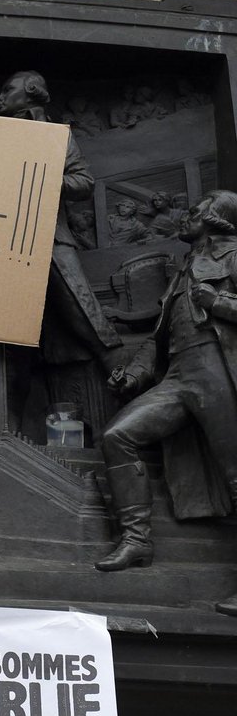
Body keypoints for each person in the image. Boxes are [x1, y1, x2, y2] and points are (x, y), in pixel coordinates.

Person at [98, 192, 237, 598]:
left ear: (216, 219)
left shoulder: (233, 257)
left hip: (220, 369)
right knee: (117, 436)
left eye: (194, 212)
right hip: (179, 374)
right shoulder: (182, 271)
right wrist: (136, 374)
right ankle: (136, 540)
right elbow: (156, 339)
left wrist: (220, 301)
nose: (184, 216)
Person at [0, 71, 125, 371]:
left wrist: (45, 179)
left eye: (7, 89)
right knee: (13, 336)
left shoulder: (56, 134)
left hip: (51, 237)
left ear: (31, 91)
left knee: (84, 315)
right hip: (2, 241)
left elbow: (84, 182)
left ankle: (126, 374)